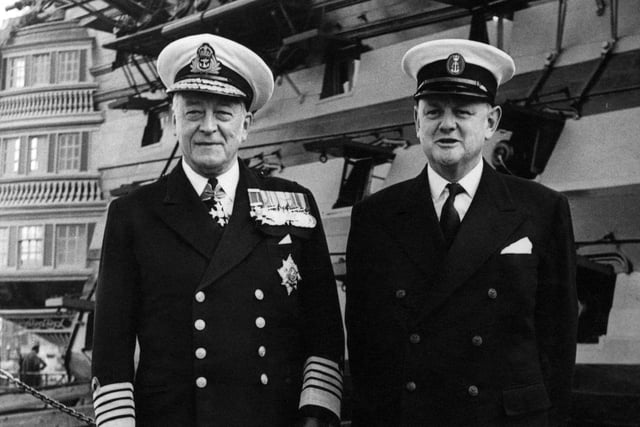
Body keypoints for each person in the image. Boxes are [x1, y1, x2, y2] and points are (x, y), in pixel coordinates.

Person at [91, 34, 344, 427]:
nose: (208, 127)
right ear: (173, 121)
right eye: (193, 113)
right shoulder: (133, 215)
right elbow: (111, 346)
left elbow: (324, 324)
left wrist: (316, 411)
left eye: (223, 114)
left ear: (245, 125)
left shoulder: (295, 203)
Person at [345, 39, 577, 426]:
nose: (447, 124)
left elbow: (558, 339)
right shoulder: (375, 217)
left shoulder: (541, 210)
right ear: (417, 121)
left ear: (491, 122)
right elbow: (365, 346)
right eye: (433, 111)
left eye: (463, 112)